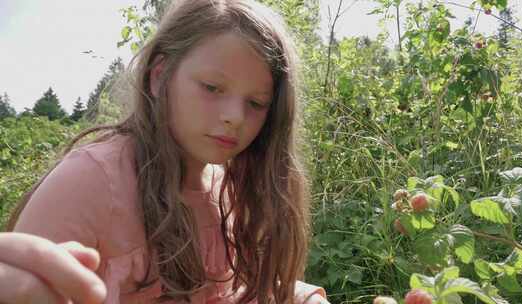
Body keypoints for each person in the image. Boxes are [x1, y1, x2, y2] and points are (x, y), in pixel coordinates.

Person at [3, 0, 329, 303]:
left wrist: (303, 298)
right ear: (160, 77)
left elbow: (232, 288)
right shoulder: (90, 180)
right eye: (212, 88)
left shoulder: (227, 185)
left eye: (256, 103)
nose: (235, 116)